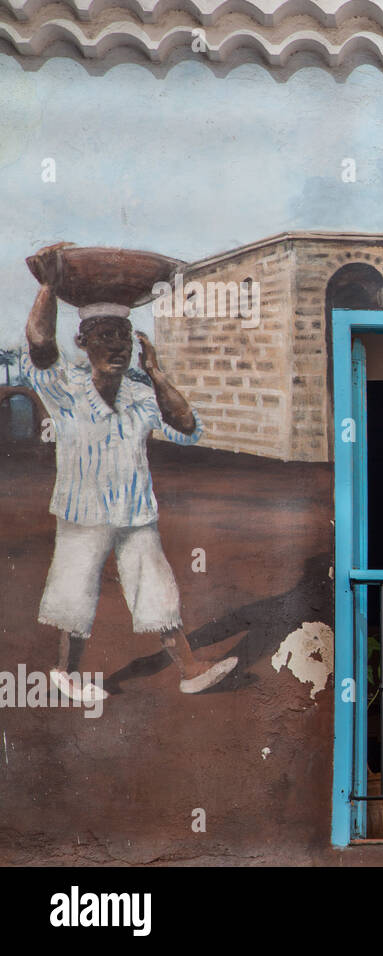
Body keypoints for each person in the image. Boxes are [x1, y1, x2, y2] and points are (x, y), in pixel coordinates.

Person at [22, 242, 238, 700]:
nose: (116, 346)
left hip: (136, 512)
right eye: (104, 335)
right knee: (74, 591)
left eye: (122, 336)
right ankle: (67, 674)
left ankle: (189, 668)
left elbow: (186, 427)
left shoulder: (141, 393)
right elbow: (40, 344)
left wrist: (157, 374)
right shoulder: (65, 388)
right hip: (82, 512)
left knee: (157, 591)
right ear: (82, 341)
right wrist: (48, 285)